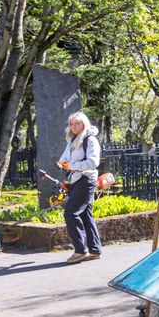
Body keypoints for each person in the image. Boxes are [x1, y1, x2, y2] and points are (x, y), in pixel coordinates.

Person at [58, 111, 103, 264]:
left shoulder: (90, 140)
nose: (74, 127)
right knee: (85, 214)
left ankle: (80, 250)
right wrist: (62, 164)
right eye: (71, 124)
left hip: (86, 180)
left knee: (71, 213)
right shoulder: (72, 140)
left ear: (84, 124)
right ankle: (95, 250)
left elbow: (93, 163)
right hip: (75, 180)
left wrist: (71, 166)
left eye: (77, 123)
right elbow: (64, 158)